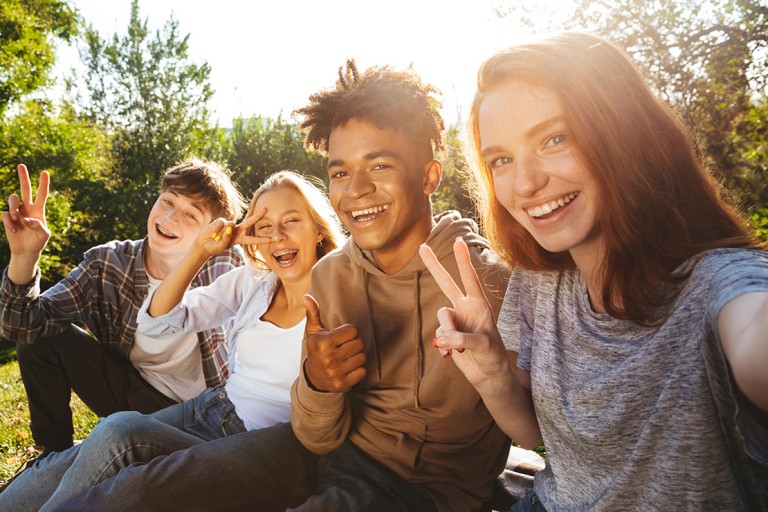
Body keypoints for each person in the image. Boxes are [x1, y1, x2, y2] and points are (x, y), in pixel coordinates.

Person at [52, 60, 511, 512]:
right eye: (339, 173)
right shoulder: (331, 277)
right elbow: (318, 432)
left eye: (380, 166)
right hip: (313, 452)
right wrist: (317, 381)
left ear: (430, 176)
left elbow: (534, 419)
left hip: (415, 489)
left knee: (129, 458)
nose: (355, 189)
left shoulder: (485, 280)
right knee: (121, 463)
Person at [418, 32, 768, 511]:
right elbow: (539, 437)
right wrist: (495, 374)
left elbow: (755, 334)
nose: (525, 183)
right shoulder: (540, 282)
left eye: (554, 139)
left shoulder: (721, 285)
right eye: (501, 159)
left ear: (624, 132)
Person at [0, 170, 345, 511]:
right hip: (199, 404)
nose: (278, 236)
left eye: (292, 221)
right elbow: (156, 323)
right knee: (100, 437)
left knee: (120, 442)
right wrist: (23, 258)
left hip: (240, 428)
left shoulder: (248, 268)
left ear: (317, 228)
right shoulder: (251, 281)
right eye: (265, 227)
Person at [0, 158, 245, 456]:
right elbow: (21, 325)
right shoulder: (108, 263)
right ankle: (53, 455)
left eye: (191, 215)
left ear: (212, 231)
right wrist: (25, 257)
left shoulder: (227, 263)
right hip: (133, 394)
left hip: (208, 413)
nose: (170, 216)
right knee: (38, 340)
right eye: (167, 200)